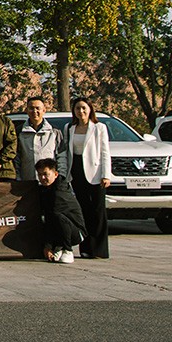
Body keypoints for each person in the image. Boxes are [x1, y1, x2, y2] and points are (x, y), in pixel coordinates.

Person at [67, 96, 111, 259]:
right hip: (77, 171)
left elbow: (105, 152)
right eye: (77, 108)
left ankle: (99, 249)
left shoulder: (99, 128)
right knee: (82, 211)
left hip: (95, 173)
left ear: (90, 109)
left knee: (97, 211)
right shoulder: (70, 128)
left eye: (84, 108)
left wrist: (106, 175)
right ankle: (85, 248)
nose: (81, 111)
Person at [36, 157, 86, 265]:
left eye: (46, 174)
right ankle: (59, 248)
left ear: (55, 174)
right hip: (60, 230)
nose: (43, 178)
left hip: (76, 232)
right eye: (40, 175)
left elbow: (52, 217)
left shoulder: (60, 190)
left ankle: (68, 250)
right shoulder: (45, 189)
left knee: (56, 216)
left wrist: (48, 246)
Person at [17, 96, 67, 181]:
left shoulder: (54, 132)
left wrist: (61, 176)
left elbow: (61, 156)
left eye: (38, 108)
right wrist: (17, 178)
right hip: (27, 181)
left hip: (50, 182)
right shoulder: (19, 132)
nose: (34, 111)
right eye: (31, 108)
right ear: (26, 110)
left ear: (44, 110)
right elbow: (16, 158)